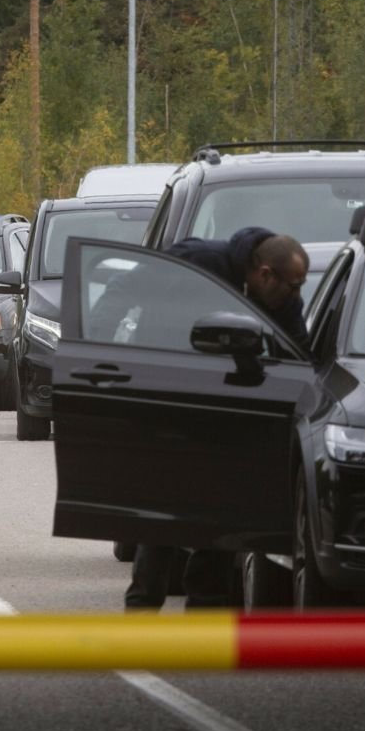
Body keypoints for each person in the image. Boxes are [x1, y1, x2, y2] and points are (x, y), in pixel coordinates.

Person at [124, 226, 310, 611]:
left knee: (221, 511)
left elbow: (297, 355)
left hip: (229, 414)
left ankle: (205, 610)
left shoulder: (283, 298)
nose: (296, 295)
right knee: (164, 510)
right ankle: (141, 607)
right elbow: (125, 292)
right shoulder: (199, 262)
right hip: (171, 401)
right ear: (264, 275)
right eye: (291, 286)